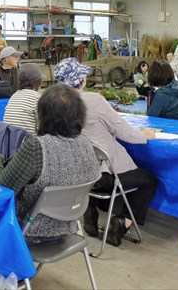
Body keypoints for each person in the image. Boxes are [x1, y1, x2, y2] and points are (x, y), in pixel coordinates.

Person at [54, 57, 157, 247]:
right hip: (101, 176)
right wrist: (144, 135)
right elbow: (122, 130)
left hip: (75, 175)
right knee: (149, 180)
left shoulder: (53, 104)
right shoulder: (92, 100)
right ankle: (122, 222)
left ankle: (90, 209)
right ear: (81, 80)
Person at [0, 84, 100, 246]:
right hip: (68, 228)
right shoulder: (86, 144)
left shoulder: (37, 147)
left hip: (28, 231)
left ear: (43, 115)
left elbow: (2, 188)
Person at [3, 63, 43, 135]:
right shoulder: (37, 98)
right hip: (28, 141)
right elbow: (42, 128)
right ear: (38, 81)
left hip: (10, 140)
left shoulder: (14, 96)